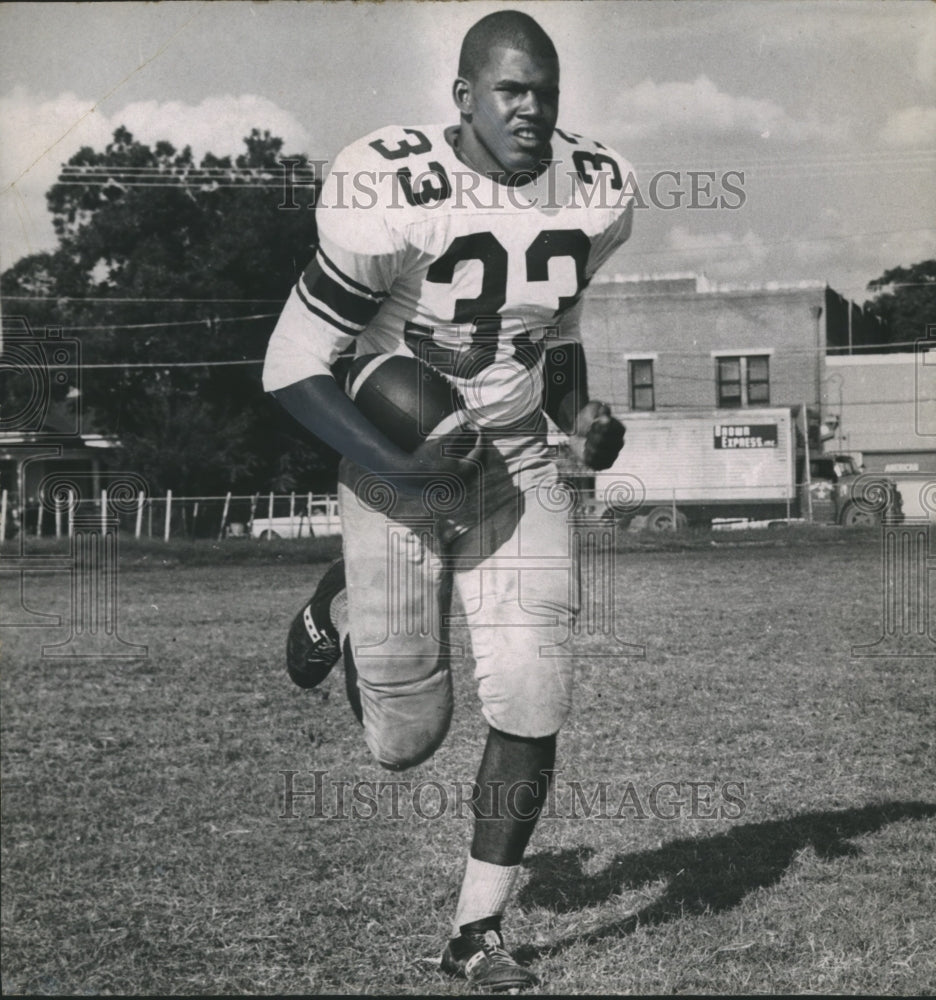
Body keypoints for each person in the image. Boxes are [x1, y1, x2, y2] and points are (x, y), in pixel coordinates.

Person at [263, 10, 634, 991]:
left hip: (516, 463)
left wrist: (584, 415)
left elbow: (551, 337)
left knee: (533, 689)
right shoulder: (390, 186)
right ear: (463, 97)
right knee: (402, 742)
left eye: (546, 91)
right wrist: (409, 468)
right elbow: (293, 364)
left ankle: (476, 932)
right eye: (511, 89)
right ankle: (340, 596)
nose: (533, 108)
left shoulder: (595, 186)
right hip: (399, 462)